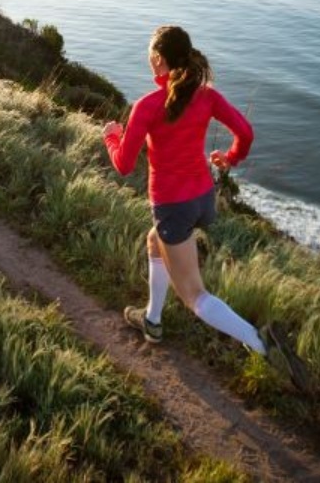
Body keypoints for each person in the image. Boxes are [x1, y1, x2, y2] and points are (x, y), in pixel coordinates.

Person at [102, 25, 268, 355]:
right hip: (203, 200)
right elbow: (245, 132)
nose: (149, 61)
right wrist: (230, 158)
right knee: (154, 241)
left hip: (173, 207)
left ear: (159, 59)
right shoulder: (206, 95)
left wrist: (111, 135)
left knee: (195, 296)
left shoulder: (148, 106)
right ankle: (152, 320)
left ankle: (262, 344)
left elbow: (123, 164)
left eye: (151, 56)